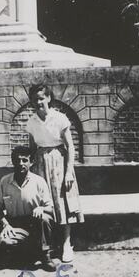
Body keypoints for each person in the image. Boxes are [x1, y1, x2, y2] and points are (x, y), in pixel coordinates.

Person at [25, 84, 84, 263]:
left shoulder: (59, 118)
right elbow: (31, 148)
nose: (38, 102)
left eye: (41, 98)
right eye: (35, 99)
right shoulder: (31, 121)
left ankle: (67, 244)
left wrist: (68, 173)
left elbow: (70, 147)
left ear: (49, 98)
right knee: (44, 202)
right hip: (41, 163)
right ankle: (47, 246)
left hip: (59, 161)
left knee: (62, 202)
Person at [0, 146, 57, 272]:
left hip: (35, 224)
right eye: (17, 160)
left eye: (24, 160)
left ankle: (45, 255)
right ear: (12, 162)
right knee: (6, 242)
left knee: (44, 217)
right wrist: (5, 225)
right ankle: (23, 253)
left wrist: (41, 208)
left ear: (31, 162)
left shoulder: (39, 181)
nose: (20, 163)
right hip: (14, 223)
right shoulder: (5, 181)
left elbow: (50, 208)